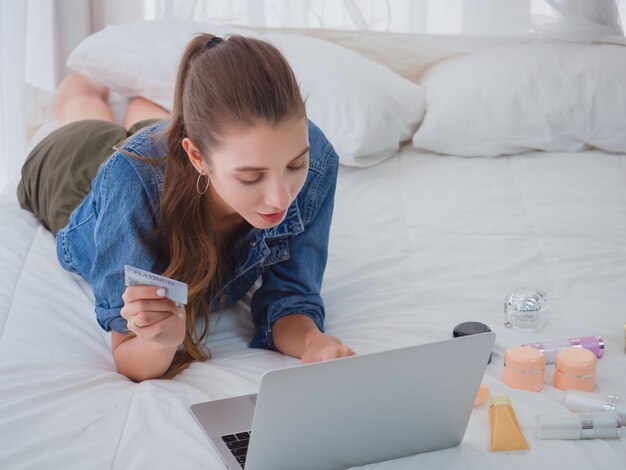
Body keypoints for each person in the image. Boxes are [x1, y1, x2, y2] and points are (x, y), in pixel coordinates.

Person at [17, 33, 356, 382]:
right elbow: (128, 353)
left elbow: (291, 299)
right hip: (78, 166)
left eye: (294, 166)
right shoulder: (128, 184)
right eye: (252, 177)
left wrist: (315, 343)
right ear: (198, 157)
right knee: (82, 107)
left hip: (166, 151)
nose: (282, 199)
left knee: (148, 118)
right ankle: (86, 82)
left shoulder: (316, 158)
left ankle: (139, 102)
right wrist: (160, 343)